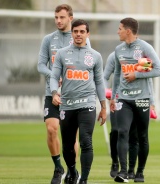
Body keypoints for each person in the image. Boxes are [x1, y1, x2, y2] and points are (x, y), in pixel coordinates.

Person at [50, 19, 106, 184]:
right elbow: (54, 77)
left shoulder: (95, 56)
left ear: (88, 34)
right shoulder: (61, 53)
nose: (79, 34)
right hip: (67, 105)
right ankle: (72, 171)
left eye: (82, 32)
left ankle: (84, 180)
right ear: (72, 33)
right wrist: (54, 93)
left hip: (87, 104)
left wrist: (103, 106)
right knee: (68, 145)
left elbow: (100, 82)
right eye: (76, 31)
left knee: (86, 141)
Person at [110, 17, 160, 183]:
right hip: (124, 99)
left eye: (119, 29)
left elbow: (158, 70)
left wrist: (137, 74)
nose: (117, 31)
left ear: (128, 31)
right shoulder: (118, 50)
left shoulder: (145, 47)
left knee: (142, 136)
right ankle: (123, 172)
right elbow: (117, 75)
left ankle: (139, 172)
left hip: (142, 99)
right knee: (122, 131)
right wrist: (113, 97)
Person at [37, 4, 82, 184]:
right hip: (52, 93)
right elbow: (41, 65)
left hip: (73, 94)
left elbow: (87, 63)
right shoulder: (49, 40)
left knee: (72, 136)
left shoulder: (79, 37)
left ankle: (72, 171)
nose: (58, 21)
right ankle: (58, 167)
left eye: (62, 17)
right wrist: (53, 75)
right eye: (56, 17)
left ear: (70, 18)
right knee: (51, 129)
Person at [104, 52, 156, 180]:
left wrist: (152, 102)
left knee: (134, 135)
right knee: (117, 131)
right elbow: (105, 77)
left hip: (139, 99)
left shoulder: (143, 54)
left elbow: (148, 79)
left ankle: (131, 170)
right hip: (120, 99)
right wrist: (106, 92)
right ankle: (115, 162)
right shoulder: (114, 55)